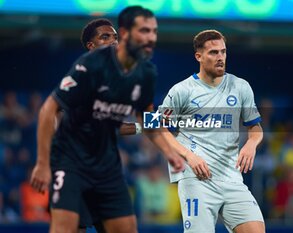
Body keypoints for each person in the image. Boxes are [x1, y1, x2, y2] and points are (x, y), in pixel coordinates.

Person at [30, 6, 186, 233]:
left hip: (107, 167)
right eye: (144, 31)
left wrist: (170, 151)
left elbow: (147, 120)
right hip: (71, 163)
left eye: (153, 32)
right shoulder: (88, 66)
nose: (150, 37)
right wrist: (43, 164)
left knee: (127, 229)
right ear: (127, 33)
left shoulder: (146, 73)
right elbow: (47, 110)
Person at [159, 29, 265, 233]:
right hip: (196, 178)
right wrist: (190, 157)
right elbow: (159, 127)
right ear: (198, 56)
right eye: (213, 53)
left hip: (231, 177)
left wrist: (251, 144)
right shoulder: (182, 90)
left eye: (223, 52)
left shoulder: (240, 87)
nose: (220, 58)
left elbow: (255, 126)